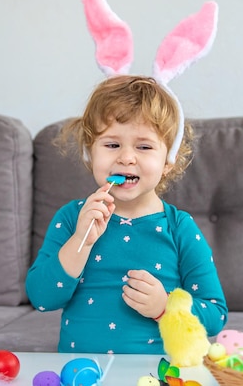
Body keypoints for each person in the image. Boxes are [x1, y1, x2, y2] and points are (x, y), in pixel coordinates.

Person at [25, 75, 227, 354]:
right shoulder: (73, 218)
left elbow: (216, 315)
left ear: (168, 161)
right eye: (111, 145)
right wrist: (80, 241)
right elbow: (42, 298)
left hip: (158, 375)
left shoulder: (179, 228)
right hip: (82, 373)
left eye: (144, 147)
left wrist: (165, 308)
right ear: (90, 154)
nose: (126, 157)